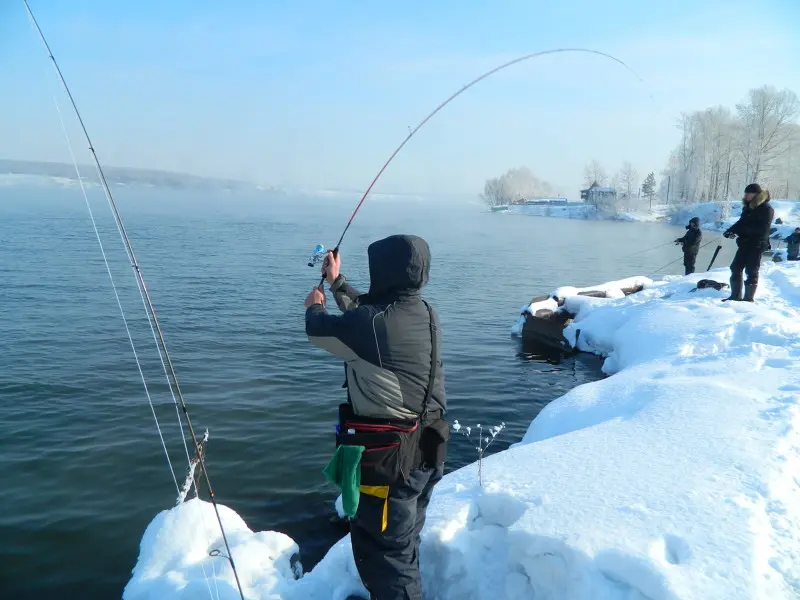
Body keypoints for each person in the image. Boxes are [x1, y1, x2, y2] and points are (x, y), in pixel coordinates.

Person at [304, 234, 448, 600]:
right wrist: (337, 283)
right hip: (428, 450)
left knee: (386, 557)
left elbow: (318, 332)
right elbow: (367, 313)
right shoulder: (425, 312)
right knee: (403, 544)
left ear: (382, 271)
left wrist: (315, 305)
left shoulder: (373, 324)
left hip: (391, 462)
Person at [723, 183, 775, 302]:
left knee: (751, 270)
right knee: (735, 267)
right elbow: (741, 222)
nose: (746, 196)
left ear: (756, 195)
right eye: (745, 193)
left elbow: (762, 229)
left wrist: (741, 231)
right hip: (745, 243)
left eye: (749, 194)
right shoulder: (748, 207)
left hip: (758, 243)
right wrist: (730, 231)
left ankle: (748, 299)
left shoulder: (766, 209)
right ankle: (735, 296)